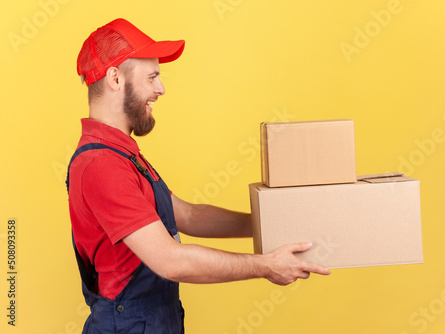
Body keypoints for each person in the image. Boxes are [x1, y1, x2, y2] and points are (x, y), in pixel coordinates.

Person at [67, 18, 330, 334]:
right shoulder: (101, 164)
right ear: (115, 78)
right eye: (152, 77)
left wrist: (273, 222)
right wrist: (266, 265)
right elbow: (170, 261)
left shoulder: (123, 154)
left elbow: (188, 215)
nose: (160, 89)